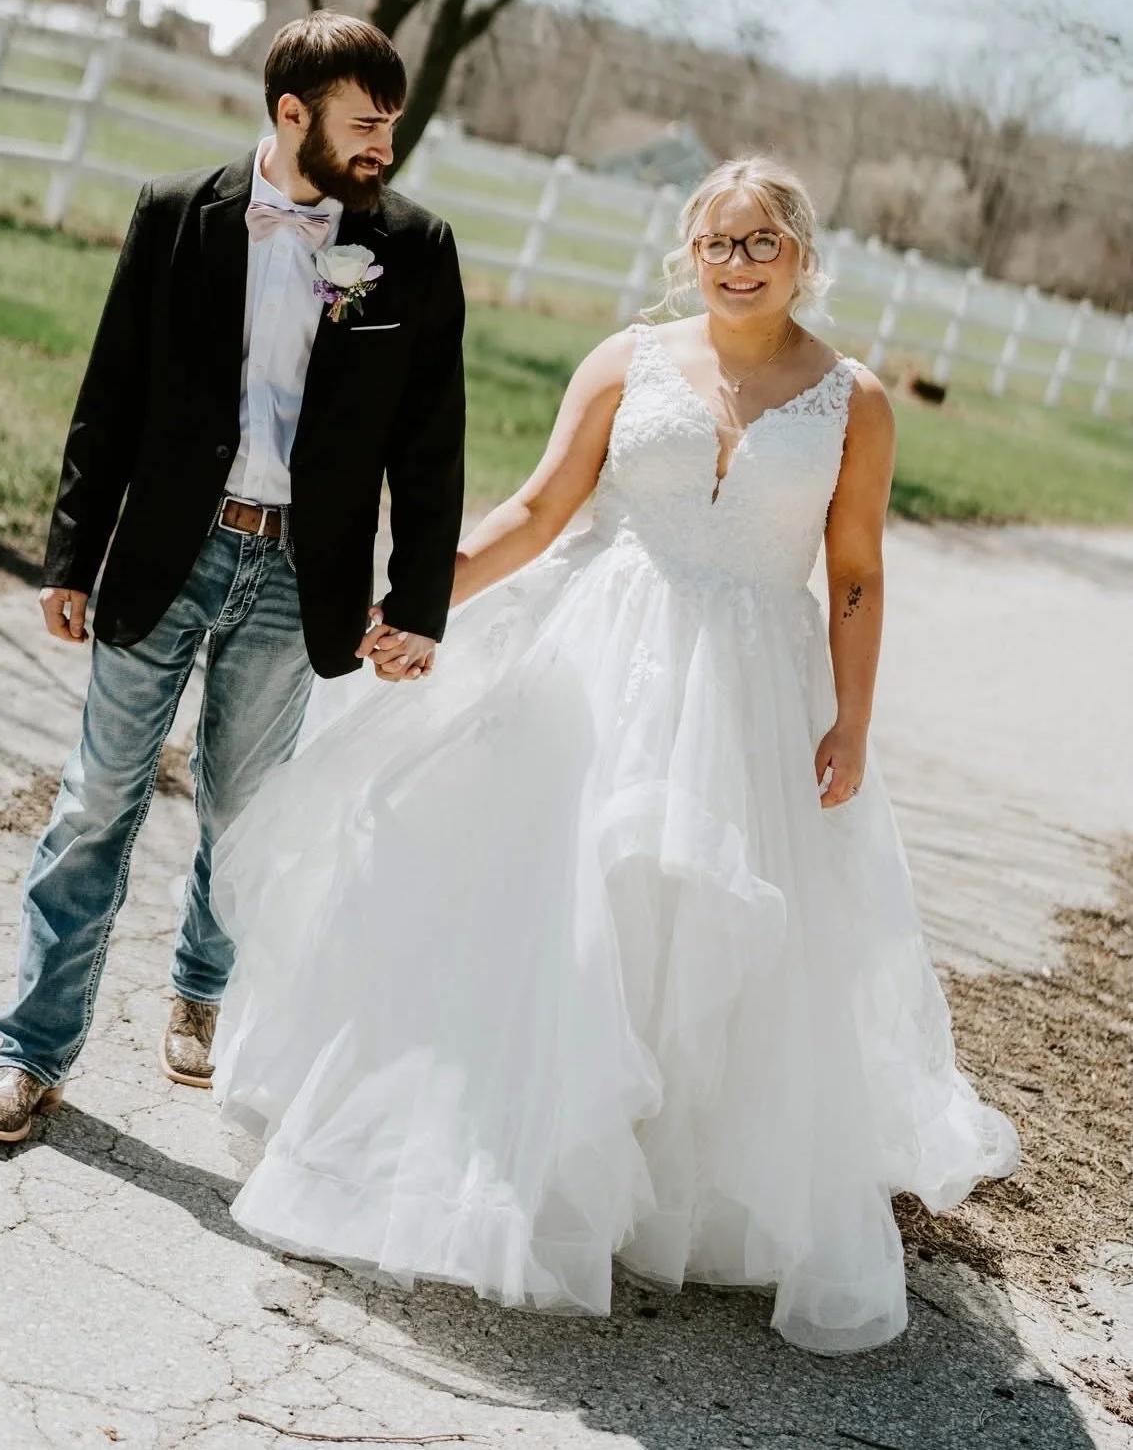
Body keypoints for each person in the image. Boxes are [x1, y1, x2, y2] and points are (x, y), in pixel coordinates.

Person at [203, 155, 1019, 1355]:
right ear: (689, 252)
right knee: (564, 911)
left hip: (751, 693)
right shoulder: (625, 361)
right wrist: (424, 600)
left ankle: (659, 1179)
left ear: (802, 255)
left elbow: (854, 570)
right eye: (718, 241)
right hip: (599, 662)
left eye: (762, 241)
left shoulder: (855, 401)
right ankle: (519, 1166)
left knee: (700, 938)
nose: (738, 262)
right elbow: (539, 509)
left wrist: (851, 719)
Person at [0, 11, 466, 1145]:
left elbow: (431, 441)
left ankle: (200, 984)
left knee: (243, 811)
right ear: (292, 114)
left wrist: (419, 603)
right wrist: (72, 553)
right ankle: (28, 1053)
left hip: (300, 573)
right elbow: (111, 394)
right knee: (97, 801)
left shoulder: (415, 248)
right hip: (167, 552)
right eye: (363, 124)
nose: (384, 145)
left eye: (390, 123)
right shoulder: (176, 213)